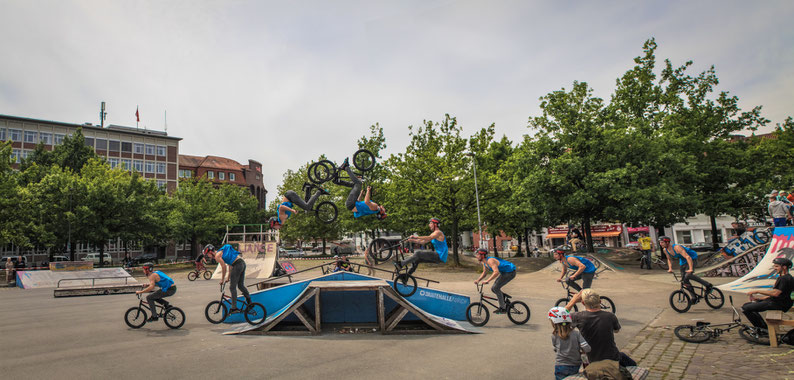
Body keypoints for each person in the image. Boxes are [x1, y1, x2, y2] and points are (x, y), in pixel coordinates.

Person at [564, 289, 621, 364]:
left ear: (583, 303)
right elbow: (616, 330)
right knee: (630, 362)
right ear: (600, 301)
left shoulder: (578, 317)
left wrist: (573, 301)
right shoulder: (610, 316)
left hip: (591, 359)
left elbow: (560, 316)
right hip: (612, 357)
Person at [741, 257, 794, 335]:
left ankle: (763, 330)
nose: (774, 268)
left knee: (746, 308)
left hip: (779, 304)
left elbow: (776, 293)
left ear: (784, 267)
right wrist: (759, 299)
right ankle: (762, 327)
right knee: (747, 305)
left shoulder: (784, 279)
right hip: (779, 302)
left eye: (776, 266)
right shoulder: (787, 277)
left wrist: (757, 291)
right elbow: (779, 294)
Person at [659, 236, 713, 300]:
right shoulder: (665, 250)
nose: (660, 244)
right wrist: (670, 268)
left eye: (662, 242)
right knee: (684, 281)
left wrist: (690, 269)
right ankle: (694, 297)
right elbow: (669, 259)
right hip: (683, 261)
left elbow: (688, 257)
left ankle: (708, 285)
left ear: (667, 242)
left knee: (688, 275)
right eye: (660, 242)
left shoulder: (677, 247)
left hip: (692, 258)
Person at [549, 306, 591, 380]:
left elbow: (555, 349)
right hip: (575, 366)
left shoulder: (554, 335)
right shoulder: (576, 334)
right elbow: (587, 348)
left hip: (560, 366)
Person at [208, 243, 251, 313]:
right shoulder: (222, 252)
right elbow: (230, 265)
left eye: (208, 254)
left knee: (232, 287)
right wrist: (228, 277)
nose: (208, 256)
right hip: (242, 263)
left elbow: (223, 267)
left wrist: (222, 279)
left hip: (237, 265)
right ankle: (250, 302)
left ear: (210, 252)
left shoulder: (217, 256)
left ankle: (234, 308)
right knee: (240, 285)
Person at [474, 248, 517, 313]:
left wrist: (487, 280)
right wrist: (478, 280)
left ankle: (503, 308)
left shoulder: (490, 261)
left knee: (495, 288)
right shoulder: (485, 263)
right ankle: (503, 297)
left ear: (482, 255)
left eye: (477, 254)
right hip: (504, 273)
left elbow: (496, 272)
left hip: (510, 272)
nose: (476, 256)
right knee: (493, 289)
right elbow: (484, 273)